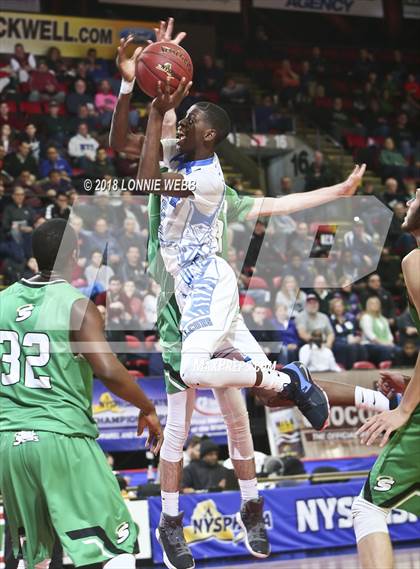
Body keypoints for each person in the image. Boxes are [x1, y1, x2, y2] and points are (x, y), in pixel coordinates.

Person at [109, 19, 374, 569]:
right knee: (190, 426)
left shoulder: (202, 180)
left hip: (208, 294)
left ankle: (254, 493)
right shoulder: (180, 159)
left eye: (188, 125)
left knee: (234, 404)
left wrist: (158, 106)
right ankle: (174, 522)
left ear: (205, 136)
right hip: (178, 303)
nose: (179, 129)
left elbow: (142, 178)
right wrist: (137, 81)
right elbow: (122, 146)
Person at [0, 218, 163, 569]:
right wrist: (147, 407)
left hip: (8, 444)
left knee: (35, 557)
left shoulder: (2, 302)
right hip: (62, 437)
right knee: (117, 546)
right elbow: (106, 369)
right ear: (74, 255)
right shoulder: (77, 306)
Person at [354, 188, 420, 569]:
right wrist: (412, 382)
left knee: (367, 509)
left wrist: (404, 409)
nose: (409, 200)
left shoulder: (414, 260)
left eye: (417, 197)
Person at [360, 296, 396, 365]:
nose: (375, 305)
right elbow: (370, 335)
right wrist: (383, 343)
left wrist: (390, 342)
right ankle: (383, 365)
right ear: (368, 306)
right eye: (372, 303)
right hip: (369, 344)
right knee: (386, 349)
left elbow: (389, 334)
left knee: (399, 350)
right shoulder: (366, 317)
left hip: (385, 343)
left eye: (377, 303)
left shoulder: (384, 319)